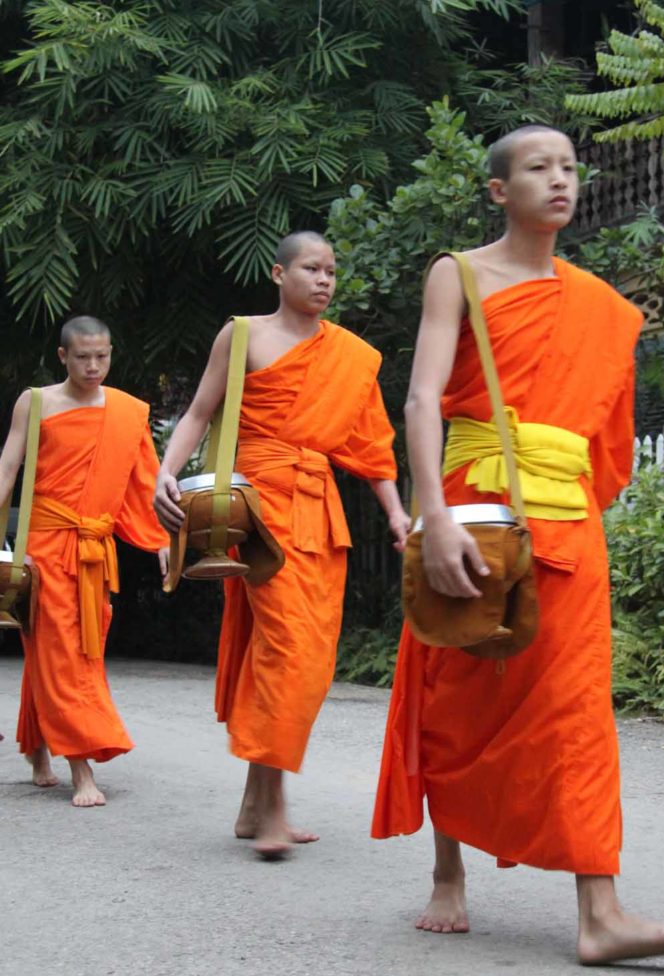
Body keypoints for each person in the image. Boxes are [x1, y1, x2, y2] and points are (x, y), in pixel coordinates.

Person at [371, 126, 664, 964]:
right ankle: (448, 872)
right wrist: (433, 515)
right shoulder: (460, 274)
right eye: (537, 168)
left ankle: (601, 912)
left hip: (568, 526)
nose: (559, 180)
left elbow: (608, 444)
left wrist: (568, 505)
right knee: (456, 691)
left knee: (579, 717)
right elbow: (421, 402)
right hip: (476, 508)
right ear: (498, 191)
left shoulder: (600, 306)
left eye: (568, 168)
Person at [154, 231, 409, 858]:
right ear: (278, 273)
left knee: (311, 662)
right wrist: (165, 470)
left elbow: (374, 448)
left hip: (319, 514)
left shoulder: (349, 355)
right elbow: (199, 412)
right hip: (258, 514)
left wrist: (398, 514)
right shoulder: (242, 335)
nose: (324, 280)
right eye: (310, 268)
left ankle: (254, 803)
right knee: (289, 652)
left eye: (331, 271)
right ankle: (274, 808)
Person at [0, 316, 169, 807]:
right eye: (82, 357)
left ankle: (37, 749)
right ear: (62, 357)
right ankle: (82, 768)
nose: (94, 366)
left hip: (94, 549)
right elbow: (8, 468)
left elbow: (144, 483)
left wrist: (161, 541)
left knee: (56, 651)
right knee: (66, 654)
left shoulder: (126, 413)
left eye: (103, 356)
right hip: (45, 545)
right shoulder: (36, 403)